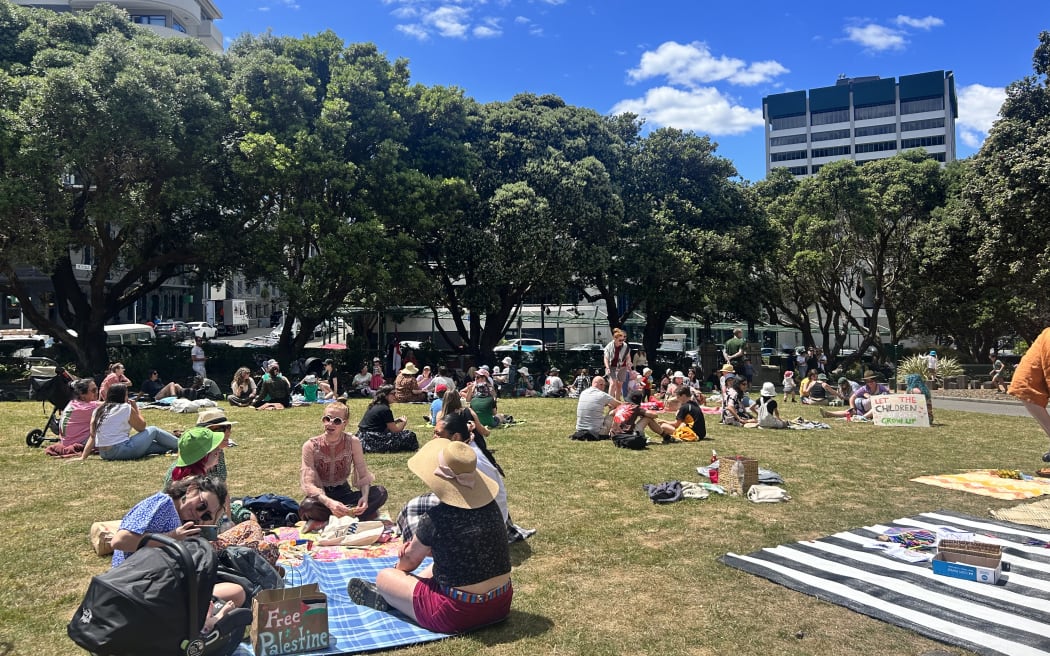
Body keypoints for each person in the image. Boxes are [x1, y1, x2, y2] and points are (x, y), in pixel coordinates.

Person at [346, 438, 512, 634]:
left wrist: (399, 571)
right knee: (436, 565)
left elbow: (409, 561)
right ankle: (398, 597)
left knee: (385, 578)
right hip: (500, 604)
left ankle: (391, 597)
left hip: (456, 614)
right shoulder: (491, 507)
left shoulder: (435, 518)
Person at [108, 477, 245, 608]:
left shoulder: (182, 521)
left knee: (236, 591)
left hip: (156, 585)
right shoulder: (163, 503)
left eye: (206, 514)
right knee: (235, 593)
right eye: (202, 505)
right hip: (135, 585)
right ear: (191, 489)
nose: (199, 514)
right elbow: (120, 541)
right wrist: (172, 537)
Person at [301, 402, 388, 523]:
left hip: (344, 493)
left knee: (380, 492)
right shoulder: (310, 445)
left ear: (344, 423)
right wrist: (329, 502)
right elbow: (308, 483)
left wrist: (365, 497)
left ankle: (334, 519)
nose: (330, 423)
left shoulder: (353, 442)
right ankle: (351, 516)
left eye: (336, 421)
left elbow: (363, 474)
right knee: (307, 507)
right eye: (327, 419)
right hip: (322, 497)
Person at [80, 384, 179, 461]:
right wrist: (136, 408)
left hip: (105, 454)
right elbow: (142, 427)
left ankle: (172, 448)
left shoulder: (98, 410)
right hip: (121, 450)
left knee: (151, 445)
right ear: (123, 396)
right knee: (153, 430)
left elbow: (93, 436)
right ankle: (181, 445)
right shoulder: (125, 407)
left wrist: (83, 457)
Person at [357, 385, 419, 453]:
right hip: (373, 439)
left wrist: (395, 421)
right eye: (393, 393)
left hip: (362, 438)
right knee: (410, 435)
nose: (395, 395)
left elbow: (379, 424)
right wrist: (403, 423)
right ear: (385, 395)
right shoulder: (385, 409)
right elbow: (395, 431)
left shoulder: (375, 406)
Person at [52, 378, 102, 456]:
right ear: (82, 394)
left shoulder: (74, 403)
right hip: (77, 443)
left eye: (97, 389)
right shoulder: (86, 408)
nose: (97, 392)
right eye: (93, 390)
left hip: (66, 442)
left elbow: (98, 403)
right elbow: (110, 405)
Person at [573, 376, 621, 440]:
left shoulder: (583, 393)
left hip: (580, 429)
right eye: (604, 385)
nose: (604, 388)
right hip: (597, 432)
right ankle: (619, 430)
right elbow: (619, 404)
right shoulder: (602, 395)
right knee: (615, 409)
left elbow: (594, 403)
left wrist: (606, 404)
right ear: (601, 385)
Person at [603, 328, 631, 401]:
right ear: (615, 339)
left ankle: (617, 401)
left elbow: (628, 357)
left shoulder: (625, 346)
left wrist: (629, 362)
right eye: (620, 340)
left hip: (623, 367)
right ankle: (609, 401)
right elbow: (606, 358)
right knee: (613, 384)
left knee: (619, 385)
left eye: (623, 339)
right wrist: (607, 368)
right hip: (612, 366)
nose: (622, 341)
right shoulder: (609, 346)